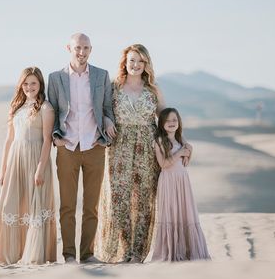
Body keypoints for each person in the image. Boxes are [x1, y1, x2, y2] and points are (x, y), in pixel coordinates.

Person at [47, 33, 115, 264]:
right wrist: (56, 136)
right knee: (67, 205)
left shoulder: (101, 75)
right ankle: (68, 255)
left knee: (91, 206)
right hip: (67, 147)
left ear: (91, 49)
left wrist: (108, 123)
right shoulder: (55, 78)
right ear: (68, 48)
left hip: (95, 146)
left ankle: (87, 254)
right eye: (77, 47)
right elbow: (53, 110)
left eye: (86, 48)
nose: (82, 52)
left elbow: (107, 108)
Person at [95, 44, 165, 263]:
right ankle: (123, 249)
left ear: (146, 65)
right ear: (125, 62)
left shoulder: (153, 90)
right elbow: (104, 110)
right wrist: (107, 120)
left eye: (140, 61)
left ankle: (137, 253)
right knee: (119, 199)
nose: (135, 65)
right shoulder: (114, 86)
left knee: (143, 199)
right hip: (119, 146)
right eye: (132, 60)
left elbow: (165, 119)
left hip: (147, 147)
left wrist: (176, 143)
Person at [0, 67, 57, 265]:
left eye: (33, 83)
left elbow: (47, 140)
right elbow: (9, 140)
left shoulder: (46, 108)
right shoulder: (15, 107)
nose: (29, 87)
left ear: (40, 84)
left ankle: (34, 254)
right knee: (12, 204)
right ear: (21, 85)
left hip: (36, 161)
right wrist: (3, 169)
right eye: (25, 83)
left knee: (34, 206)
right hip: (15, 160)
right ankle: (9, 254)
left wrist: (40, 169)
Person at [152, 108, 210, 262]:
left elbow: (188, 150)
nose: (171, 123)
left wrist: (188, 150)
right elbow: (164, 163)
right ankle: (170, 252)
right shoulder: (158, 141)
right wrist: (180, 153)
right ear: (162, 123)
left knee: (185, 213)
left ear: (179, 123)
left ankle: (187, 252)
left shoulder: (181, 139)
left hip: (182, 181)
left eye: (175, 120)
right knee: (171, 213)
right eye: (168, 120)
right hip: (169, 181)